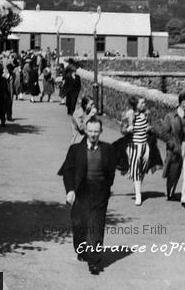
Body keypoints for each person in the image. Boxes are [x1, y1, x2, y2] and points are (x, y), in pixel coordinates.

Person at [57, 118, 117, 275]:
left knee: (96, 227)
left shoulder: (108, 149)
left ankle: (95, 261)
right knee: (79, 224)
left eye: (96, 132)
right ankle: (81, 249)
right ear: (86, 131)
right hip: (81, 192)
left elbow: (111, 172)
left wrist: (106, 188)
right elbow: (68, 171)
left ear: (101, 132)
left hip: (99, 193)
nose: (93, 134)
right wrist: (70, 190)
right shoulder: (75, 150)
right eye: (90, 131)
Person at [120, 96, 163, 205]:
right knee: (135, 169)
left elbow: (150, 126)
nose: (144, 105)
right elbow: (122, 130)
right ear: (136, 104)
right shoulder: (129, 114)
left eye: (144, 103)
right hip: (134, 146)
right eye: (142, 103)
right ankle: (138, 195)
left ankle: (137, 187)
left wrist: (149, 128)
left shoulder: (147, 114)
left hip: (145, 145)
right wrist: (128, 129)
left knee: (143, 168)